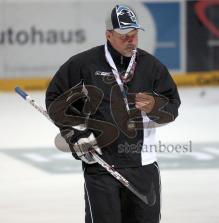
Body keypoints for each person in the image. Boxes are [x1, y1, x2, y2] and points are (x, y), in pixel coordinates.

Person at [45, 4, 180, 223]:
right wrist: (74, 134)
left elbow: (173, 105)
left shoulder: (152, 66)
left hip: (143, 167)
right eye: (124, 36)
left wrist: (156, 106)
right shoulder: (83, 64)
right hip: (100, 167)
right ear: (108, 34)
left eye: (135, 35)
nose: (131, 41)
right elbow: (55, 99)